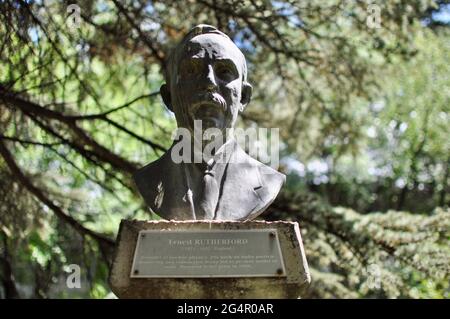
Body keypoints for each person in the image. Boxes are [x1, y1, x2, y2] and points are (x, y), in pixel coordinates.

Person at [134, 24, 285, 220]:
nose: (209, 82)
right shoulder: (150, 180)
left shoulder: (267, 181)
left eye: (224, 72)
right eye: (191, 70)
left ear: (244, 97)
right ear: (168, 98)